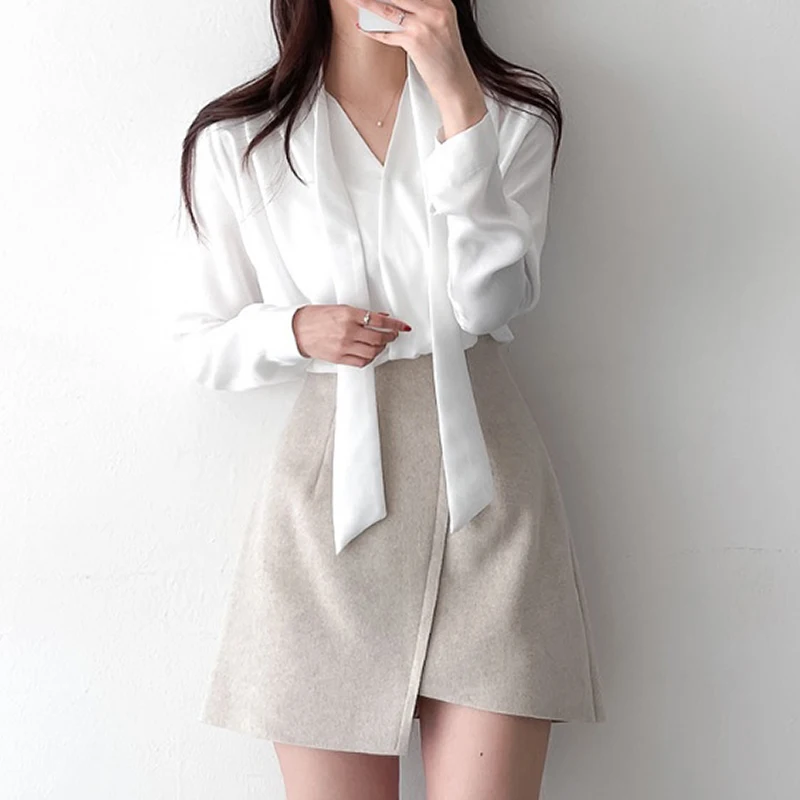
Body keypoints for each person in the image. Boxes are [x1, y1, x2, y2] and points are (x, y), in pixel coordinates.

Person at [173, 0, 605, 796]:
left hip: (486, 498)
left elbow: (490, 303)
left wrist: (459, 104)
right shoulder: (240, 139)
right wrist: (293, 330)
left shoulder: (511, 115)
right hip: (327, 506)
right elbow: (199, 340)